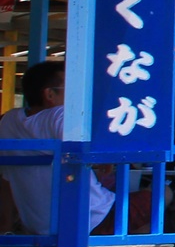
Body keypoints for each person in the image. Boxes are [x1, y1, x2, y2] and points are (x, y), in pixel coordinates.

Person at [0, 62, 115, 234]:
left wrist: (5, 226)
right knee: (161, 196)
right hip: (90, 219)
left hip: (39, 228)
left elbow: (5, 178)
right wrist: (107, 157)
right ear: (50, 94)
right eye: (71, 87)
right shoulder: (61, 116)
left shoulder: (8, 121)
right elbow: (95, 151)